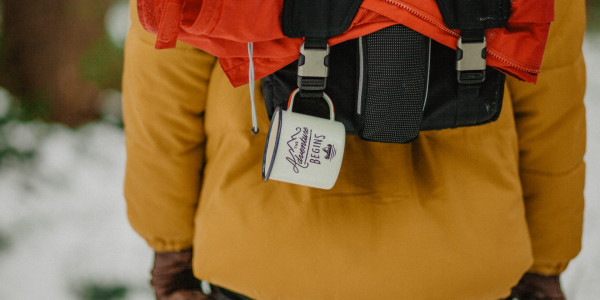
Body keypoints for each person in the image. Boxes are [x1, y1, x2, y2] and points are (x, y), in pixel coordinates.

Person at [121, 0, 587, 298]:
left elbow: (161, 99)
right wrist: (547, 265)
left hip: (266, 262)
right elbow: (553, 111)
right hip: (463, 262)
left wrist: (171, 251)